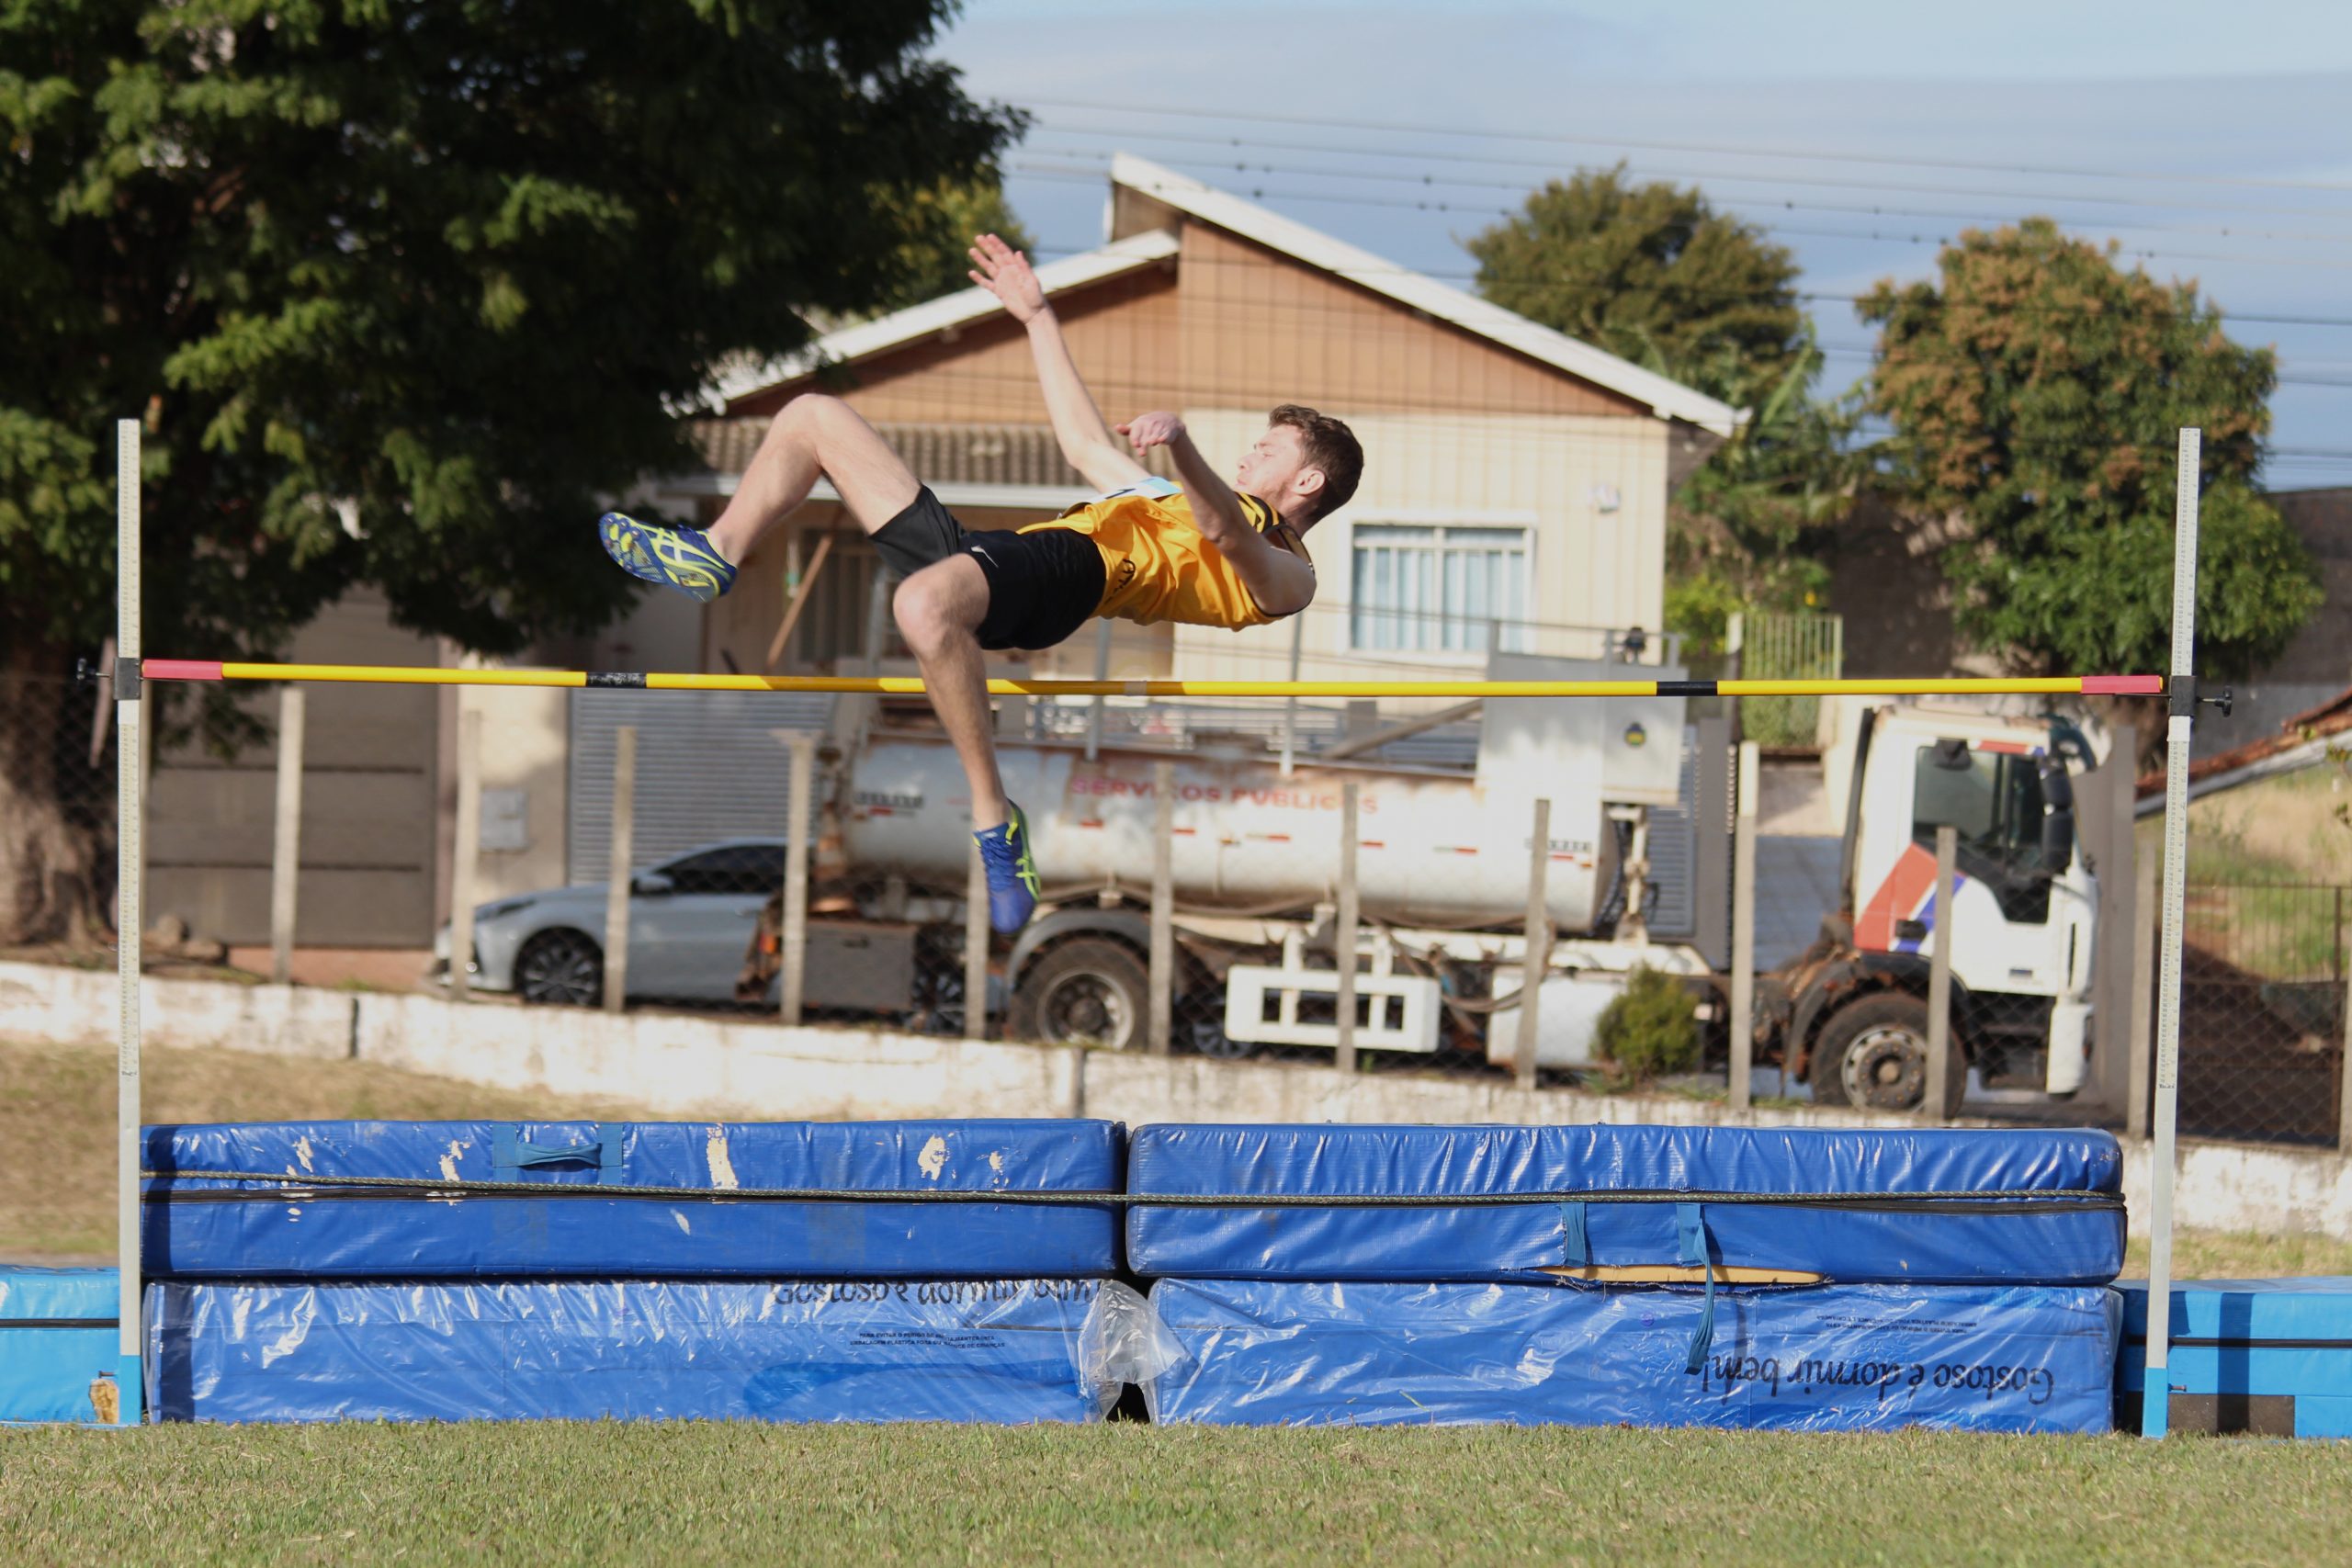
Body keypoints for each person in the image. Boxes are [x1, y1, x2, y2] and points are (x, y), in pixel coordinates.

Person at [599, 234, 1363, 932]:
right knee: (812, 415)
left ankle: (995, 822)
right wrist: (1036, 317)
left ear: (1308, 477)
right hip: (1004, 557)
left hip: (1074, 577)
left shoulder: (1290, 573)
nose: (1246, 456)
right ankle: (716, 553)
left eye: (1265, 449)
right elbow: (1081, 442)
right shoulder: (1165, 496)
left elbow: (1226, 531)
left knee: (921, 604)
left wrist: (1183, 447)